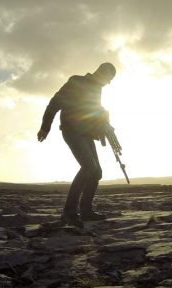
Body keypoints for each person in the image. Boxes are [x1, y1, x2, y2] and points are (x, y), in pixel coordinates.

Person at [37, 62, 116, 228]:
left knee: (96, 172)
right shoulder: (76, 81)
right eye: (108, 80)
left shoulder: (97, 89)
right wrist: (45, 127)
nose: (107, 84)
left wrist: (106, 125)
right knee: (88, 167)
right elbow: (55, 102)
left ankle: (86, 211)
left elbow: (94, 110)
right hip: (71, 131)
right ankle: (69, 213)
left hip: (86, 134)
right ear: (101, 73)